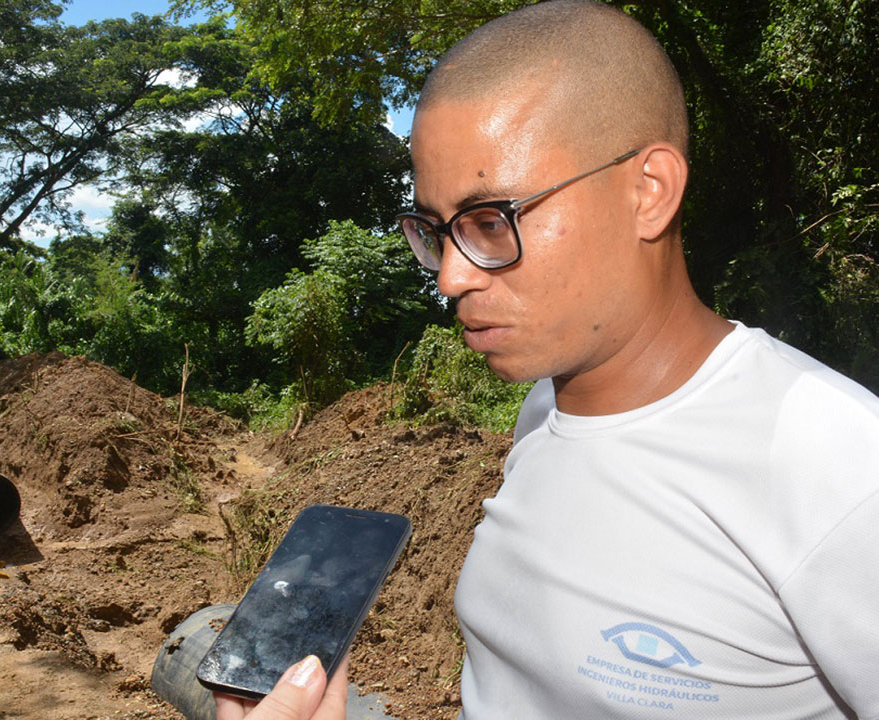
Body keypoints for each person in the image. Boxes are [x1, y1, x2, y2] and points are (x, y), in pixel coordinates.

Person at [218, 1, 879, 718]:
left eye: (491, 220)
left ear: (648, 191)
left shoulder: (838, 469)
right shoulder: (544, 411)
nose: (450, 276)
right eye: (437, 231)